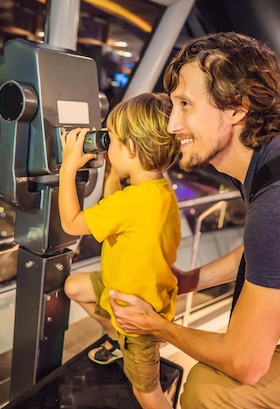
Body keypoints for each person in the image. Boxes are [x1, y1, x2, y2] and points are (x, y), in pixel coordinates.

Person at [108, 31, 280, 408]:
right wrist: (189, 280)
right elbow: (270, 252)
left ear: (237, 107)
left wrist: (157, 327)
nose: (173, 124)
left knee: (210, 390)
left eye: (185, 104)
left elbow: (244, 363)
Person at [59, 92, 181, 409]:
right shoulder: (157, 190)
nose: (106, 146)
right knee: (74, 286)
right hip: (127, 289)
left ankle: (122, 339)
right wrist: (114, 169)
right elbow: (112, 204)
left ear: (132, 149)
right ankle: (114, 339)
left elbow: (72, 223)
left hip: (138, 319)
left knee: (147, 392)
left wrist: (67, 169)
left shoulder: (131, 203)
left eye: (111, 140)